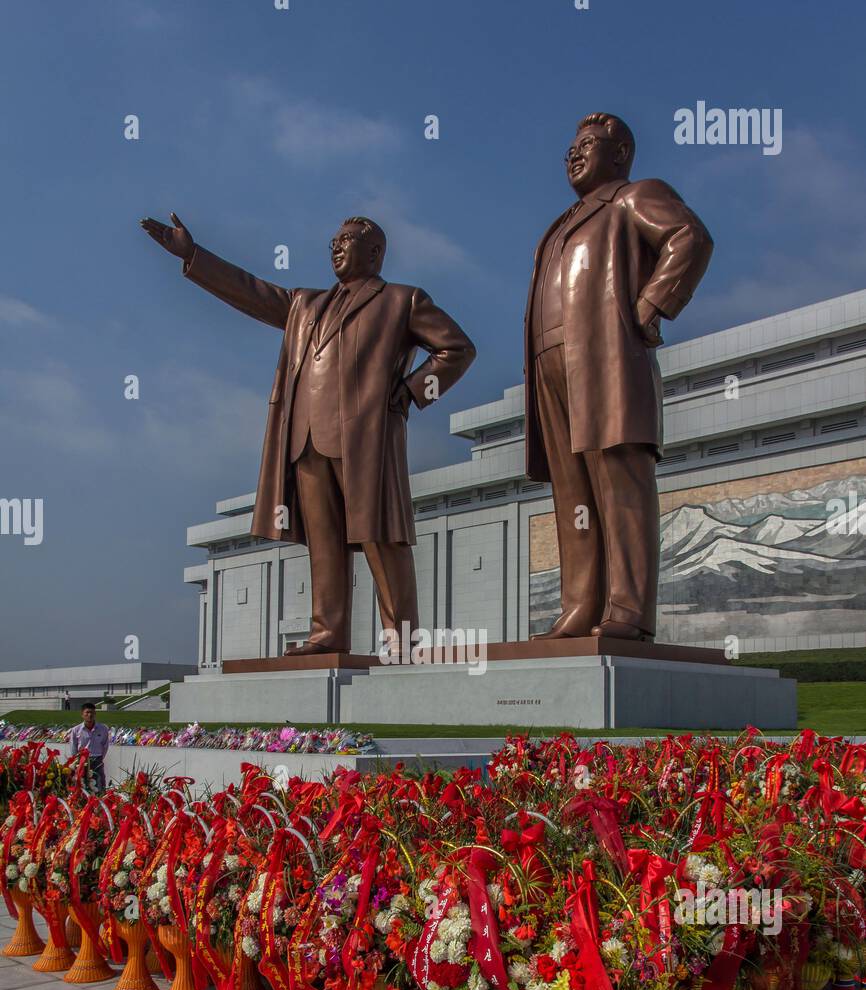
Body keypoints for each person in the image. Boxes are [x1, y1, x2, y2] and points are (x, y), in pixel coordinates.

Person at [141, 211, 476, 655]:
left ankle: (402, 639)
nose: (336, 246)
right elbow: (252, 293)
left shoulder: (401, 301)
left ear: (374, 252)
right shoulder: (304, 305)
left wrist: (409, 393)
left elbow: (457, 348)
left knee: (380, 537)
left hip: (365, 440)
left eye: (348, 239)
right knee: (324, 546)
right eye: (334, 240)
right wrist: (194, 257)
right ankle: (328, 633)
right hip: (306, 440)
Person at [525, 111, 713, 641]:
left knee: (619, 482)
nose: (574, 155)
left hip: (606, 356)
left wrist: (650, 307)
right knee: (573, 493)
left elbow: (690, 236)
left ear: (621, 153)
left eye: (588, 144)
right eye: (571, 148)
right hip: (551, 364)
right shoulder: (558, 225)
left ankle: (627, 609)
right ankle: (581, 606)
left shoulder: (634, 197)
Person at [70, 702, 110, 792]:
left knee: (100, 782)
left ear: (95, 714)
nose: (90, 715)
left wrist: (100, 758)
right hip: (82, 761)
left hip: (97, 760)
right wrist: (77, 761)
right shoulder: (76, 730)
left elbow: (105, 745)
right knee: (82, 783)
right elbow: (73, 747)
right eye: (87, 712)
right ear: (82, 714)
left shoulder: (103, 729)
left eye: (92, 712)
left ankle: (101, 799)